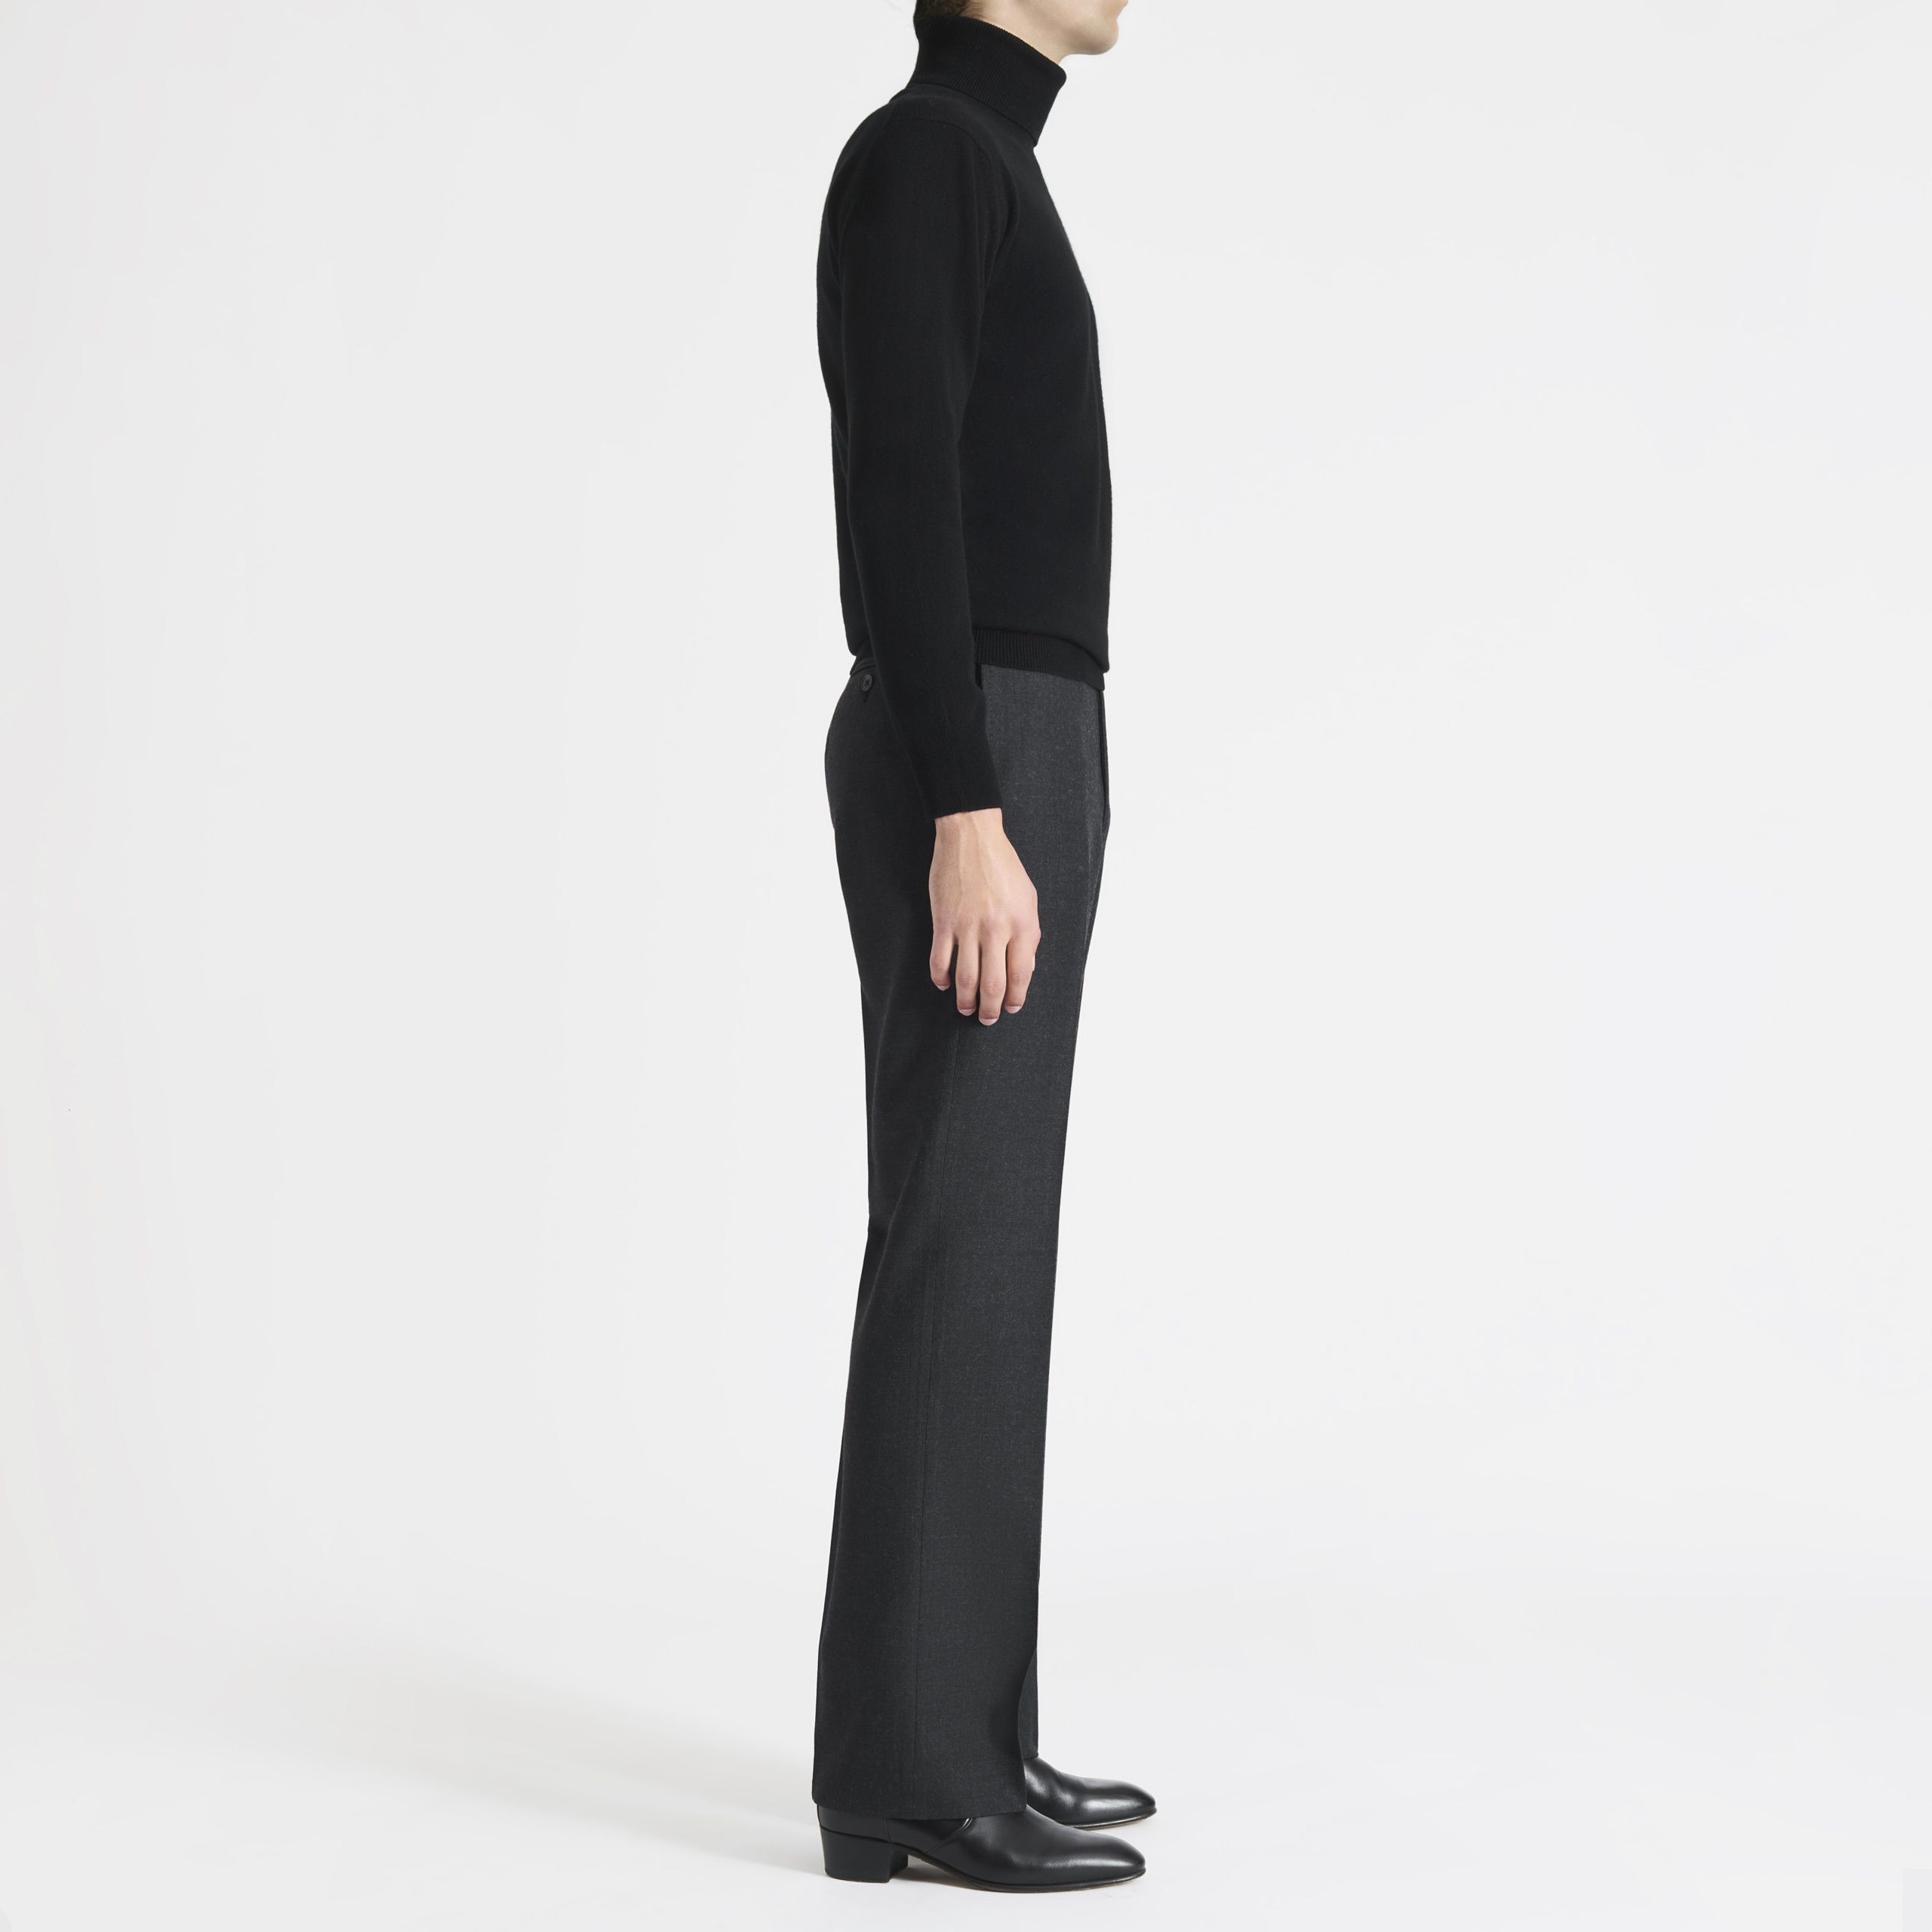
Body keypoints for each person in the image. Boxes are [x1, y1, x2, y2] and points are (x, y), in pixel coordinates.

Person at [811, 0, 1150, 1893]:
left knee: (988, 1237)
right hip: (979, 747)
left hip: (1019, 735)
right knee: (959, 1229)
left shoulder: (982, 163)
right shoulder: (926, 155)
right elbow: (902, 486)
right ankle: (912, 1775)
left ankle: (967, 1729)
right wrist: (965, 797)